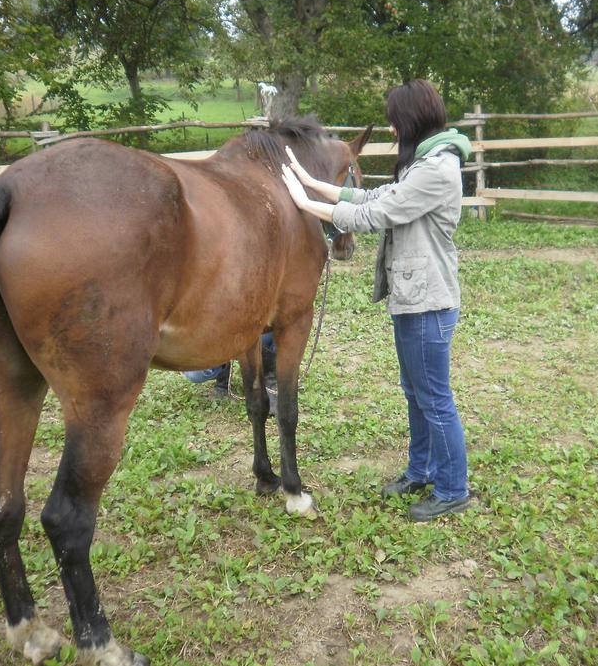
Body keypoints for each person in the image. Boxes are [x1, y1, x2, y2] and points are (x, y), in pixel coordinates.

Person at [281, 79, 471, 522]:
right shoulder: (423, 164)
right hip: (412, 298)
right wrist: (312, 183)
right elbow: (372, 195)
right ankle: (421, 469)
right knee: (416, 392)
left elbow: (374, 215)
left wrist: (304, 203)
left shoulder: (436, 170)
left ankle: (452, 487)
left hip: (428, 303)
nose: (390, 128)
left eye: (394, 119)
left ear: (411, 119)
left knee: (434, 397)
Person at [183, 332, 278, 415]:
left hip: (261, 331)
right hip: (226, 333)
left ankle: (271, 381)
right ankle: (223, 378)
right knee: (195, 373)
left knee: (286, 318)